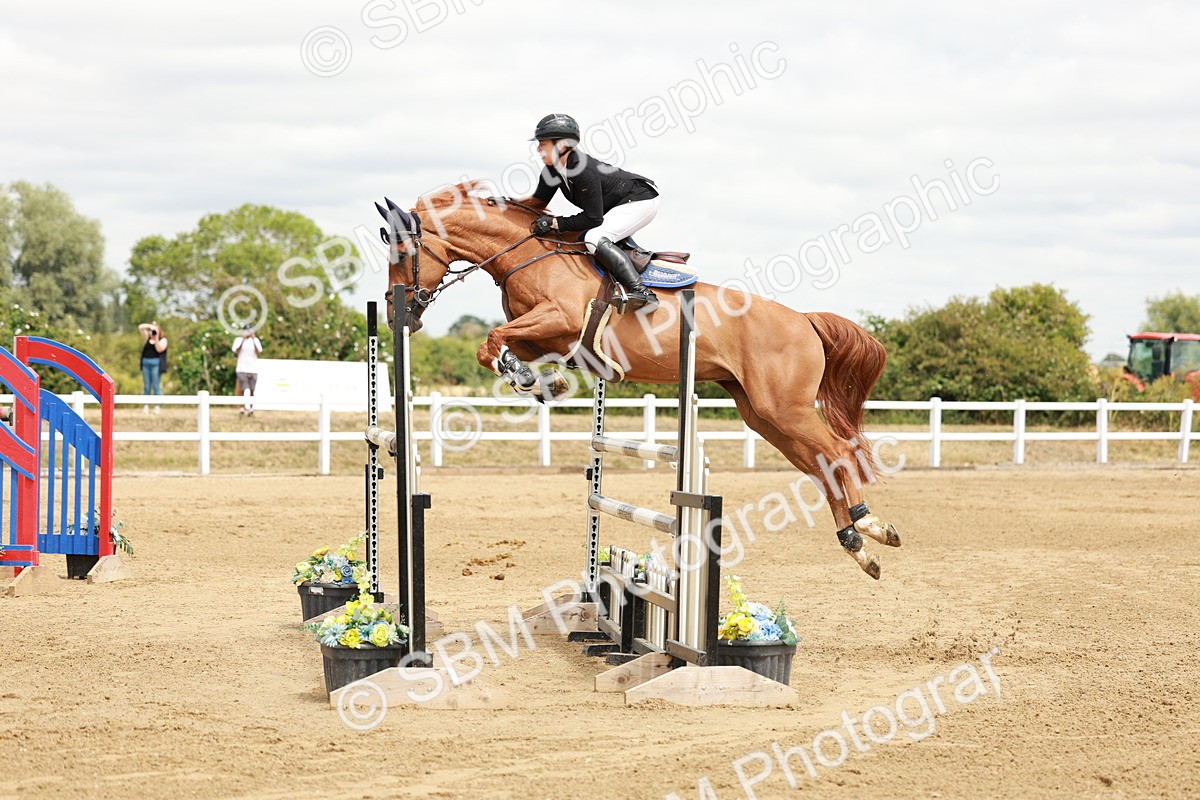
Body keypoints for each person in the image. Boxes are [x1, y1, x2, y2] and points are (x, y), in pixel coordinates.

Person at [520, 113, 660, 313]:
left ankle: (643, 293)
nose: (538, 148)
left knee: (594, 237)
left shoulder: (582, 169)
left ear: (561, 145)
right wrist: (504, 207)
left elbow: (593, 218)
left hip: (641, 199)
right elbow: (537, 203)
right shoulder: (551, 171)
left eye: (543, 143)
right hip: (617, 204)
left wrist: (554, 223)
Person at [137, 322, 168, 413]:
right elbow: (140, 327)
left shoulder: (163, 340)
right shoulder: (147, 338)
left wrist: (156, 338)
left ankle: (157, 406)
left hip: (156, 363)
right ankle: (146, 406)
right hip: (145, 363)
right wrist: (150, 326)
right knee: (146, 385)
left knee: (156, 385)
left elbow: (159, 349)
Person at [232, 326, 263, 416]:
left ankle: (251, 408)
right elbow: (237, 351)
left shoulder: (255, 340)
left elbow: (258, 351)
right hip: (242, 368)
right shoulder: (238, 340)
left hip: (253, 368)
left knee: (252, 390)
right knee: (242, 389)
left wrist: (253, 339)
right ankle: (242, 408)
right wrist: (243, 340)